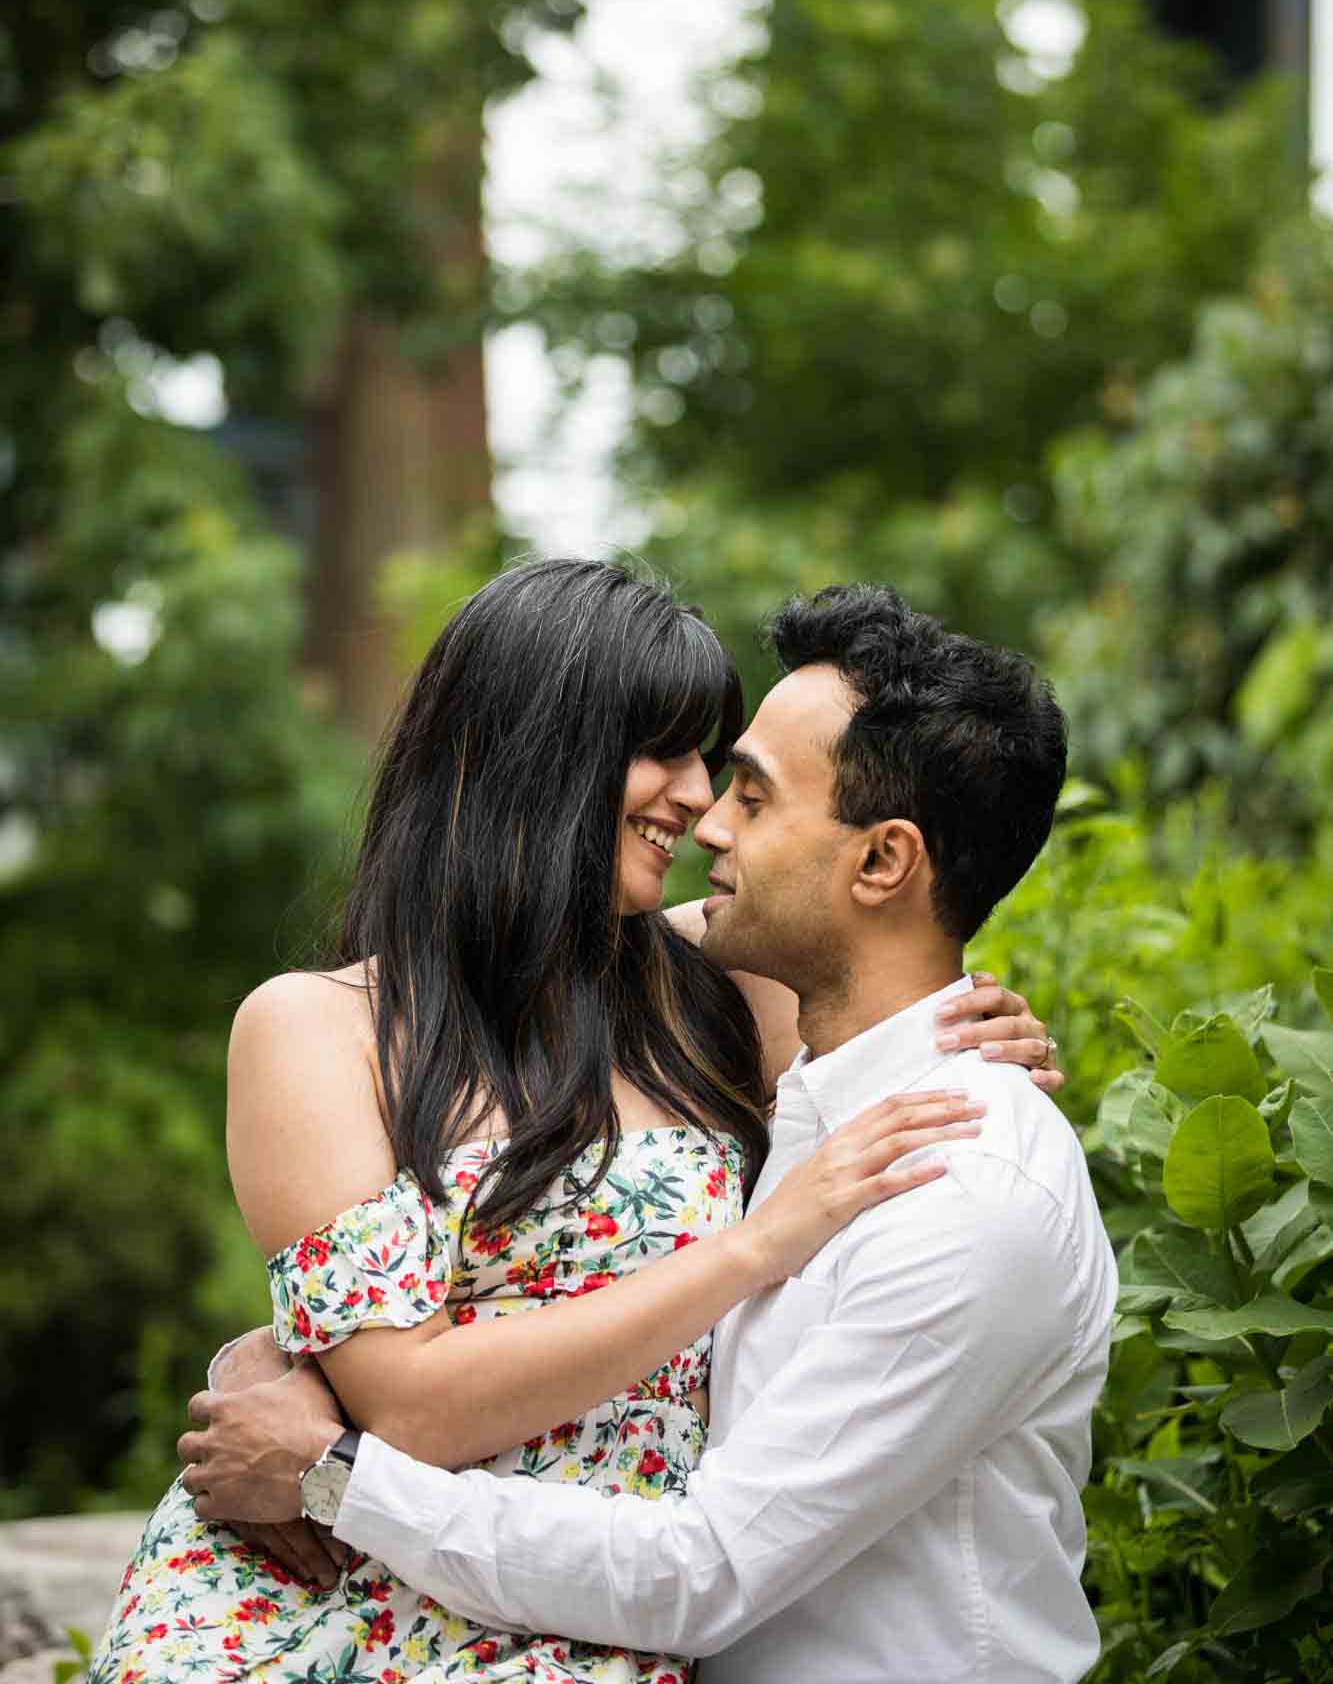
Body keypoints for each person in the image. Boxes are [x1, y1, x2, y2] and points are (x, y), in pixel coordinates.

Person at [91, 561, 1058, 1684]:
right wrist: (750, 1249)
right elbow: (407, 1401)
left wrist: (983, 1022)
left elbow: (879, 942)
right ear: (530, 749)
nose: (697, 798)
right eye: (665, 750)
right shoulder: (314, 1028)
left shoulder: (719, 981)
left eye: (713, 759)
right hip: (336, 1605)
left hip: (597, 1605)